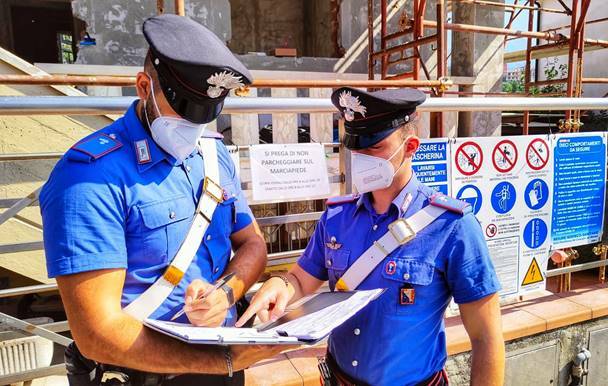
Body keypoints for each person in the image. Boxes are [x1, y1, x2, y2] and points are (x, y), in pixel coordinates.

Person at [40, 14, 289, 386]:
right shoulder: (90, 176)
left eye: (208, 112)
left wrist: (225, 292)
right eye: (186, 108)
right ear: (144, 87)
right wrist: (221, 362)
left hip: (220, 357)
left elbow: (251, 242)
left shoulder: (212, 155)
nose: (195, 124)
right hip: (141, 371)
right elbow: (96, 333)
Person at [237, 87, 506, 386]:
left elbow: (486, 336)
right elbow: (301, 279)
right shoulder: (336, 217)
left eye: (374, 147)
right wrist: (279, 286)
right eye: (356, 147)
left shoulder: (452, 226)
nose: (361, 158)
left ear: (410, 146)